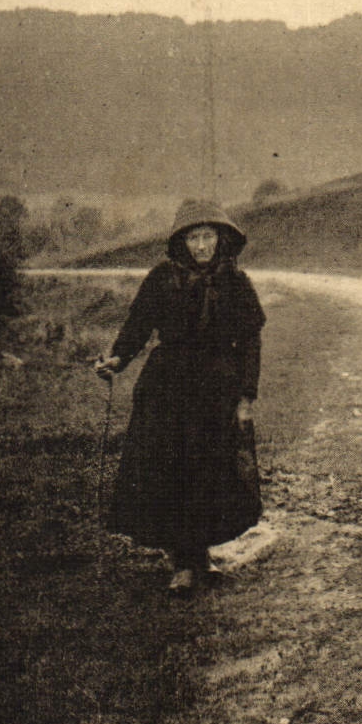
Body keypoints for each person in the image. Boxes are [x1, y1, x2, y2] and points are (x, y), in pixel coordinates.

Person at [95, 200, 266, 595]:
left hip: (216, 391)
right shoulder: (162, 279)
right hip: (168, 389)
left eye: (207, 236)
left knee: (211, 471)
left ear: (221, 239)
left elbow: (251, 343)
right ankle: (183, 563)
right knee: (171, 472)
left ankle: (201, 554)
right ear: (181, 242)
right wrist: (117, 359)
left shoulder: (236, 282)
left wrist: (246, 397)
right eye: (193, 238)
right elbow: (138, 325)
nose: (201, 246)